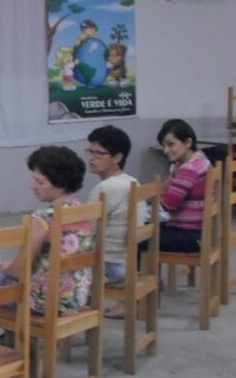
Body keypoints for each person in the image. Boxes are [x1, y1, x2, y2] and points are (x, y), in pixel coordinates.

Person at [0, 146, 93, 316]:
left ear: (60, 183)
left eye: (40, 182)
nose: (32, 186)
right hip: (76, 297)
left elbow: (18, 271)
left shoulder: (43, 218)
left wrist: (3, 268)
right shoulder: (81, 210)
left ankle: (15, 339)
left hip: (45, 302)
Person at [86, 126, 144, 319]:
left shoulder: (105, 189)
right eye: (90, 151)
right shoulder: (133, 182)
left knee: (49, 271)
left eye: (99, 153)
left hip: (109, 267)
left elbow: (86, 233)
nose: (91, 158)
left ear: (117, 158)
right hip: (128, 263)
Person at [153, 119, 210, 253]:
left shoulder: (188, 169)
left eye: (171, 144)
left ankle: (136, 274)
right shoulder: (201, 160)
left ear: (188, 142)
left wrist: (160, 194)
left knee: (137, 237)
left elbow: (168, 205)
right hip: (202, 230)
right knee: (145, 230)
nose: (166, 150)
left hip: (190, 234)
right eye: (163, 146)